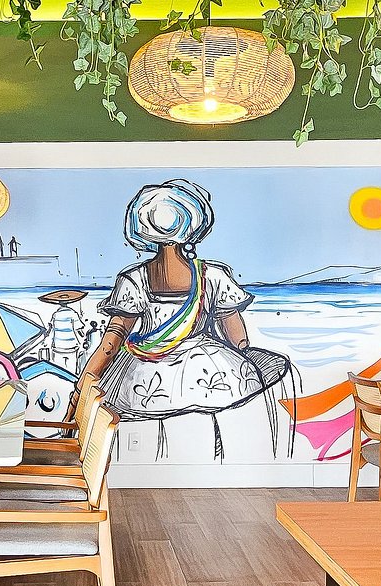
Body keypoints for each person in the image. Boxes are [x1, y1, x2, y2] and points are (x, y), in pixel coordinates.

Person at [81, 179, 293, 458]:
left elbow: (111, 344)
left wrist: (85, 383)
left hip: (142, 380)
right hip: (214, 374)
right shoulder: (213, 275)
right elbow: (238, 339)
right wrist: (245, 362)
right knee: (209, 444)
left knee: (152, 449)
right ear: (192, 226)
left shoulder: (133, 280)